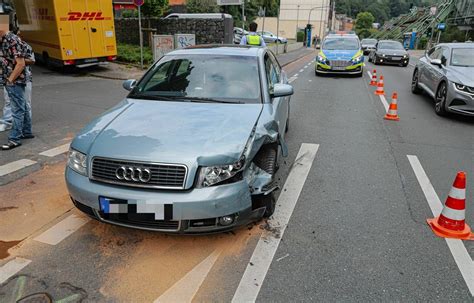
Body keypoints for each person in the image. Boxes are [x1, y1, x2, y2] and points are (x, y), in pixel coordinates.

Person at [0, 17, 33, 150]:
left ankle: (14, 139)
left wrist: (9, 80)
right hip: (14, 80)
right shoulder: (5, 40)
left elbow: (21, 63)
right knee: (23, 106)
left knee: (17, 109)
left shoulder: (11, 40)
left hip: (15, 81)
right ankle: (27, 132)